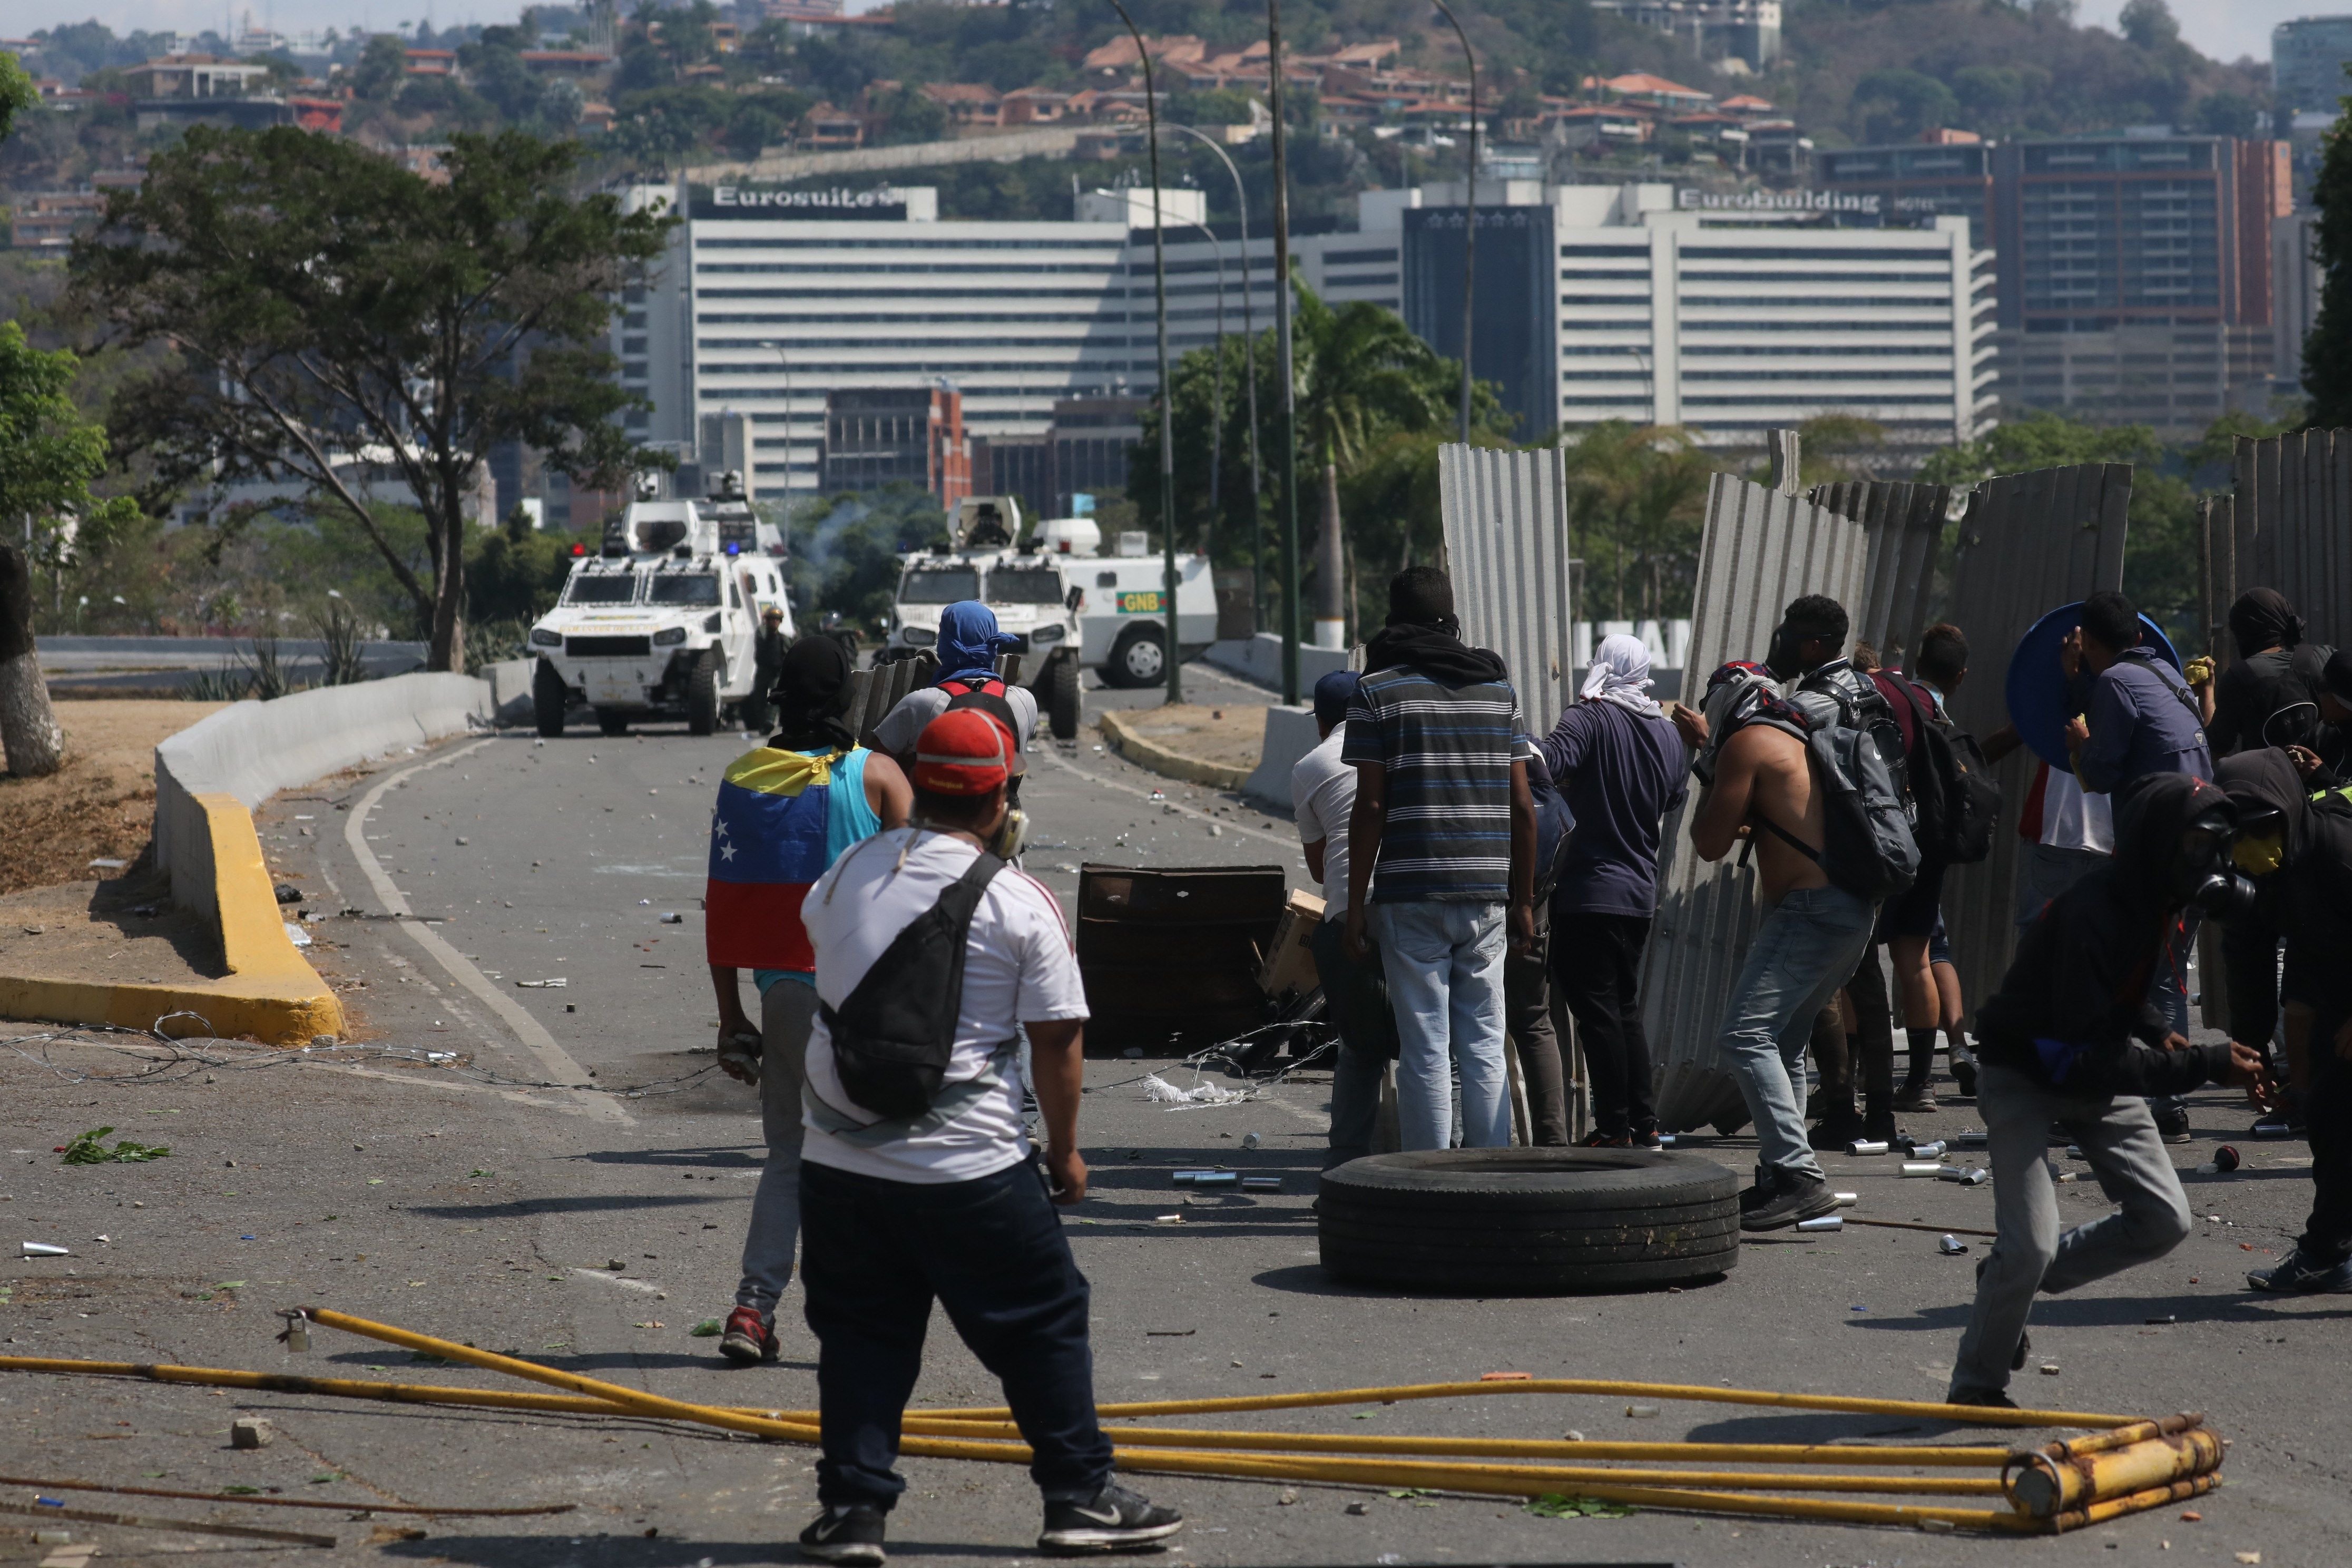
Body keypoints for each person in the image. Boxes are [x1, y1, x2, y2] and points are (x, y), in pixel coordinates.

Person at [793, 709, 1181, 1562]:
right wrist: (1064, 1151)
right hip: (968, 1168)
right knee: (1043, 1319)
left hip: (835, 1165)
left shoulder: (843, 874)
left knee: (860, 1332)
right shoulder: (1017, 900)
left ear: (914, 782)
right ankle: (1077, 1496)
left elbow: (823, 953)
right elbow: (1058, 1043)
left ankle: (852, 1514)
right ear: (1002, 796)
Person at [1947, 773, 2274, 1406]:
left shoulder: (2154, 899)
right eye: (2198, 846)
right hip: (2027, 1072)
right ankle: (1977, 1384)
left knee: (2164, 1221)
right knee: (2032, 1243)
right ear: (2158, 843)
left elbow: (2121, 989)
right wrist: (2203, 1065)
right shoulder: (2091, 913)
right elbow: (2088, 1055)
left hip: (2089, 1061)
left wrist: (2158, 1031)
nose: (2210, 864)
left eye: (2217, 847)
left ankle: (2005, 1282)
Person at [706, 636, 912, 1367]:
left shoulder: (744, 777)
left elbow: (724, 906)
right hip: (862, 1001)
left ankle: (752, 1310)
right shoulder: (880, 777)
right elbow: (918, 896)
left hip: (784, 995)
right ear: (845, 699)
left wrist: (732, 1019)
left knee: (789, 1155)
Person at [1681, 596, 1879, 1231]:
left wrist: (1709, 762)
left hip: (1811, 912)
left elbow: (1708, 843)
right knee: (1785, 1041)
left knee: (1744, 1035)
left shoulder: (1747, 743)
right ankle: (1778, 1175)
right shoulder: (1801, 734)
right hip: (1851, 908)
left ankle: (1797, 1174)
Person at [1342, 566, 1538, 1153]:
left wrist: (1356, 905)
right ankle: (1493, 1177)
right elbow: (1524, 806)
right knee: (1484, 1040)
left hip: (1410, 894)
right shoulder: (1499, 692)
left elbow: (1371, 804)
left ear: (1393, 621)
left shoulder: (1376, 691)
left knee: (1425, 1044)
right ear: (1452, 619)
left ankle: (1427, 1184)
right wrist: (1524, 900)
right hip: (1486, 894)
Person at [2066, 590, 2215, 1142]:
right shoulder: (2170, 678)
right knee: (2164, 977)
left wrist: (2081, 745)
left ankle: (2162, 1105)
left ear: (2092, 643)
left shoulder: (2114, 683)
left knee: (2151, 980)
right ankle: (2162, 1103)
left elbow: (2103, 771)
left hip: (2160, 855)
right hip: (2202, 842)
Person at [1535, 632, 1692, 1148]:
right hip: (1638, 896)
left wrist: (1513, 743)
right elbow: (1674, 798)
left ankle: (1613, 1128)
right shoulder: (1668, 733)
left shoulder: (1590, 715)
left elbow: (1550, 764)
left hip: (1589, 890)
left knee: (1597, 1013)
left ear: (1602, 664)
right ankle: (1644, 1125)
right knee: (1624, 1009)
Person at [2220, 750, 2352, 1293]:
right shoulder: (2254, 873)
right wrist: (2252, 1055)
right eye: (2241, 831)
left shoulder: (2340, 850)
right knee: (2326, 1115)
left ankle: (2325, 1249)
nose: (2254, 842)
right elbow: (2250, 961)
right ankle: (2328, 1253)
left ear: (2290, 812)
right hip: (2333, 988)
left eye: (2265, 826)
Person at [1292, 669, 1396, 1168]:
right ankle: (1442, 1164)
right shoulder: (1402, 747)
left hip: (1348, 919)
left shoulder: (1310, 767)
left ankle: (1346, 1168)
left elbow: (1318, 868)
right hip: (1410, 908)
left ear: (1322, 722)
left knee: (1359, 1049)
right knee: (1432, 1046)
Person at [873, 601, 1040, 762]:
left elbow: (871, 765)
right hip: (1002, 792)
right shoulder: (1025, 701)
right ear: (994, 643)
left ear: (946, 643)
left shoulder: (921, 703)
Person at [2207, 589, 2329, 757]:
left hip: (2270, 781)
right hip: (2335, 780)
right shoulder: (2325, 657)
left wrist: (2206, 691)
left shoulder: (2238, 678)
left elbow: (2217, 747)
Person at [743, 604, 790, 734]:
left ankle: (769, 720)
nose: (774, 622)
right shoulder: (762, 634)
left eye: (777, 619)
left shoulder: (783, 638)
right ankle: (762, 724)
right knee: (759, 698)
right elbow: (761, 636)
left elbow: (788, 654)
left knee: (776, 695)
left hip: (777, 673)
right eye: (771, 619)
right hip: (763, 671)